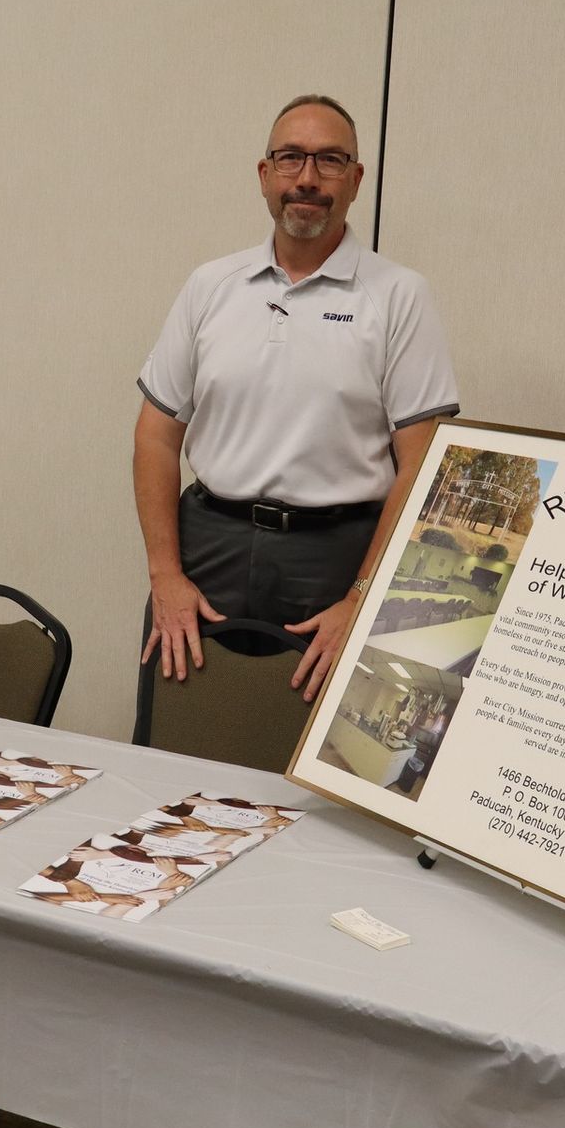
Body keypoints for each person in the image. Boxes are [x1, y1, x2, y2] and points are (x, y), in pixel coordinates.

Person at [133, 94, 460, 701]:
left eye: (330, 161)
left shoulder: (399, 297)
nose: (307, 178)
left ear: (356, 180)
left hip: (335, 562)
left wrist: (362, 599)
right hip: (209, 548)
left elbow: (423, 467)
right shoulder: (211, 286)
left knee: (298, 757)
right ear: (265, 175)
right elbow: (155, 433)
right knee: (186, 732)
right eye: (290, 159)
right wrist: (165, 575)